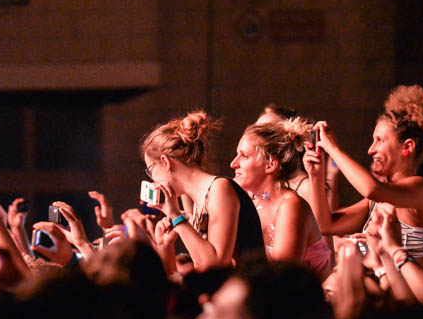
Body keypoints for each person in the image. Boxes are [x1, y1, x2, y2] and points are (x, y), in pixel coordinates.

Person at [304, 85, 423, 276]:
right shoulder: (376, 200)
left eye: (379, 141)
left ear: (407, 146)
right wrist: (316, 176)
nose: (371, 150)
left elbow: (371, 188)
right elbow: (325, 224)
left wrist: (334, 149)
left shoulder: (421, 189)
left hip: (417, 304)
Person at [141, 110, 264, 270]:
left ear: (165, 162)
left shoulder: (220, 188)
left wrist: (176, 217)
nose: (152, 178)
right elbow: (201, 269)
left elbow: (215, 265)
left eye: (151, 169)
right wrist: (165, 246)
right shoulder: (199, 201)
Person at [229, 118, 332, 279]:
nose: (233, 164)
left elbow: (280, 281)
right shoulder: (250, 203)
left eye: (244, 156)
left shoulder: (291, 205)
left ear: (270, 164)